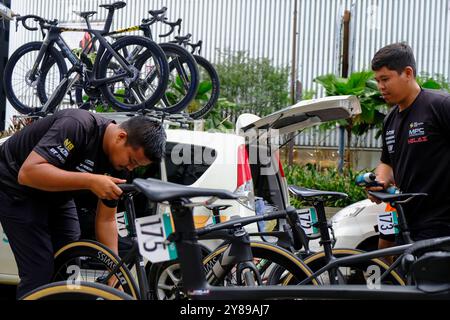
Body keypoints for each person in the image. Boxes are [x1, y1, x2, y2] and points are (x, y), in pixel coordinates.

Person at [0, 108, 166, 298]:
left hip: (57, 195)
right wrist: (91, 180)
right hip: (16, 187)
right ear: (121, 137)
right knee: (39, 271)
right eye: (131, 160)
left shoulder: (119, 167)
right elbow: (28, 173)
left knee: (70, 266)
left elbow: (106, 220)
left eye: (136, 166)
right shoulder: (78, 125)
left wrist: (115, 270)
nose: (129, 168)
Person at [368, 42, 450, 250]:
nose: (380, 87)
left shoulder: (439, 106)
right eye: (377, 80)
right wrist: (379, 182)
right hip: (404, 219)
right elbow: (387, 164)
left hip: (440, 224)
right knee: (395, 274)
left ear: (407, 73)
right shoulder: (390, 120)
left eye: (385, 79)